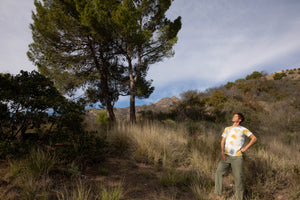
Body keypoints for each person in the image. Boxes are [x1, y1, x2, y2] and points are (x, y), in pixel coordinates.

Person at [214, 113, 257, 200]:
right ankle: (218, 195)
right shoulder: (227, 129)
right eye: (233, 116)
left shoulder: (243, 129)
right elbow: (222, 141)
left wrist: (245, 148)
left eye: (236, 116)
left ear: (240, 120)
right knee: (219, 172)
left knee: (238, 178)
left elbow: (254, 138)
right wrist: (222, 152)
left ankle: (239, 198)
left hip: (237, 157)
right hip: (226, 156)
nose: (233, 117)